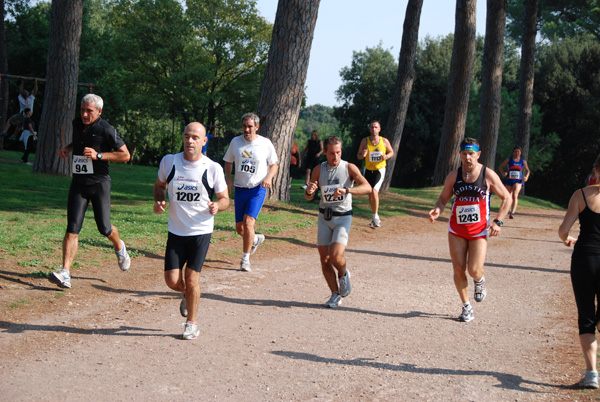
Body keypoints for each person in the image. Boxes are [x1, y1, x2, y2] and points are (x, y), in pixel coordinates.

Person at [153, 122, 229, 340]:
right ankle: (187, 294)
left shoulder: (212, 168)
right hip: (176, 230)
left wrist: (217, 206)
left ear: (204, 141)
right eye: (187, 136)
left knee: (192, 278)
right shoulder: (170, 162)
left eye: (195, 137)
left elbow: (225, 199)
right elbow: (159, 186)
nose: (190, 141)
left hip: (200, 230)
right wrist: (159, 201)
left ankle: (191, 324)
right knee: (171, 281)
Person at [49, 94, 131, 289]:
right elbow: (79, 143)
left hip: (99, 184)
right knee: (72, 228)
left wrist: (99, 155)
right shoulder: (77, 123)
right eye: (82, 110)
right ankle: (65, 272)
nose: (85, 114)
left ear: (99, 112)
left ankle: (119, 247)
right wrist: (67, 148)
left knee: (104, 228)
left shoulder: (106, 129)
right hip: (78, 183)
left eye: (89, 111)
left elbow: (125, 155)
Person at [429, 138, 510, 322]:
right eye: (464, 154)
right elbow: (442, 199)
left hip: (479, 231)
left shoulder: (487, 175)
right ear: (459, 155)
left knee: (474, 270)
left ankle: (479, 280)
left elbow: (506, 198)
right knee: (458, 269)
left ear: (478, 155)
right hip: (456, 230)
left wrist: (498, 222)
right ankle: (466, 307)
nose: (468, 158)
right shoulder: (454, 176)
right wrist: (437, 210)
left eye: (471, 154)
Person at [304, 135, 371, 308]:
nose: (336, 157)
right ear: (325, 152)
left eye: (338, 152)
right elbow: (308, 196)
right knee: (324, 260)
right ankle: (335, 294)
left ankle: (343, 273)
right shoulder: (319, 169)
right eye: (332, 153)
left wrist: (347, 190)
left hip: (343, 217)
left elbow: (367, 187)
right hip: (324, 217)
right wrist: (310, 191)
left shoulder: (349, 167)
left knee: (335, 255)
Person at [558, 154, 600, 389]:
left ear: (595, 170)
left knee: (586, 317)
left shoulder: (581, 195)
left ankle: (592, 374)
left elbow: (564, 230)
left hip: (584, 258)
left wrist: (567, 239)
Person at [223, 113, 278, 272]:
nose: (247, 129)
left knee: (248, 224)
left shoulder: (265, 143)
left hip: (257, 188)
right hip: (240, 188)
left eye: (250, 126)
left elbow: (274, 165)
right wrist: (228, 179)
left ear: (257, 127)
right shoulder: (236, 142)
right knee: (240, 229)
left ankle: (245, 259)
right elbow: (228, 161)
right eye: (244, 126)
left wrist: (268, 177)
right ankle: (254, 239)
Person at [357, 120, 394, 228]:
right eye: (372, 127)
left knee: (374, 191)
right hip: (368, 170)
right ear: (369, 129)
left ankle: (376, 216)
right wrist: (362, 155)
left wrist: (386, 156)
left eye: (376, 127)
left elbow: (391, 152)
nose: (374, 129)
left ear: (379, 129)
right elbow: (358, 156)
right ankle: (374, 216)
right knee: (370, 193)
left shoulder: (384, 141)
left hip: (379, 170)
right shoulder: (365, 141)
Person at [498, 146, 530, 219]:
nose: (517, 153)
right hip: (509, 179)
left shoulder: (523, 161)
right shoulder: (509, 160)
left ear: (520, 153)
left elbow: (528, 170)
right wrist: (503, 173)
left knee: (515, 194)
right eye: (515, 151)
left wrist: (526, 176)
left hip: (518, 180)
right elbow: (500, 167)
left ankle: (512, 212)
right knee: (507, 195)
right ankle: (505, 210)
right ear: (513, 152)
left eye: (518, 152)